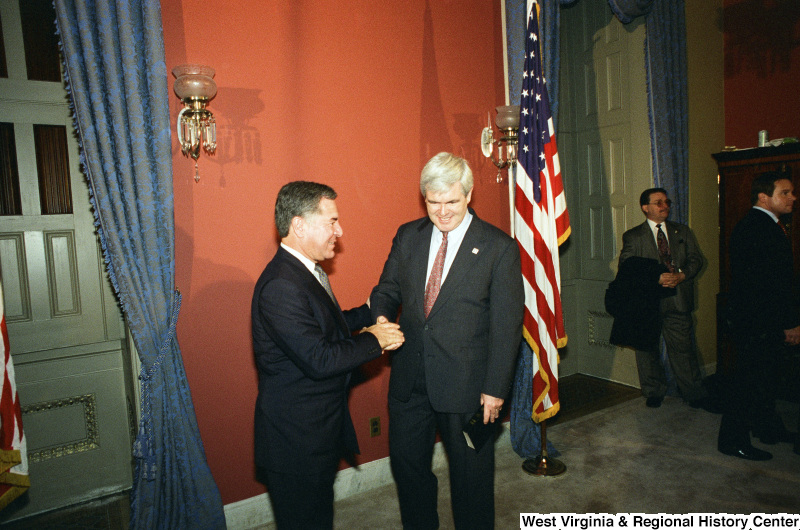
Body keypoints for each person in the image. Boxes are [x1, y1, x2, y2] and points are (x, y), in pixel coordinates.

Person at [370, 152, 524, 529]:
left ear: (468, 195)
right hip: (410, 380)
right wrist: (381, 319)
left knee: (471, 482)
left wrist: (495, 389)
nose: (441, 211)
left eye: (451, 201)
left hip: (469, 387)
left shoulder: (498, 247)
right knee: (409, 472)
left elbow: (507, 325)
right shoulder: (409, 235)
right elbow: (386, 289)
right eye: (432, 201)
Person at [251, 181, 404, 529]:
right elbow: (320, 358)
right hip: (295, 443)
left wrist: (366, 313)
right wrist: (375, 340)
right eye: (332, 221)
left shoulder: (304, 271)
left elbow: (325, 326)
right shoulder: (281, 286)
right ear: (299, 225)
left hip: (316, 434)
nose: (340, 230)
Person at [717, 171, 799, 461]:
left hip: (758, 318)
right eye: (785, 193)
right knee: (748, 381)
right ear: (764, 197)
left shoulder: (765, 224)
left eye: (792, 192)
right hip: (757, 321)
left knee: (765, 379)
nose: (792, 198)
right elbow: (772, 284)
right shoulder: (757, 227)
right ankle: (732, 440)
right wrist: (789, 323)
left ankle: (768, 427)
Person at [618, 188, 712, 410]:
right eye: (658, 202)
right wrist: (656, 277)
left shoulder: (683, 231)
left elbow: (696, 260)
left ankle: (693, 392)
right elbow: (627, 267)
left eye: (666, 202)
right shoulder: (633, 236)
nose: (665, 206)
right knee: (647, 349)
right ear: (645, 207)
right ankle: (653, 390)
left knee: (683, 348)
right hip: (647, 302)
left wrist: (682, 275)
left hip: (678, 299)